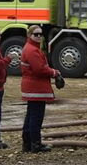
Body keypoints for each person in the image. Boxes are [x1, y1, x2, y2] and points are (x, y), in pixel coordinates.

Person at [20, 25, 61, 153]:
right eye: (35, 34)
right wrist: (54, 72)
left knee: (31, 116)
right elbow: (39, 69)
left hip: (32, 87)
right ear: (29, 35)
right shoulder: (32, 50)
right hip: (36, 88)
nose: (38, 37)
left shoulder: (30, 48)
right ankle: (35, 144)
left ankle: (27, 143)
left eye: (40, 34)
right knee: (36, 117)